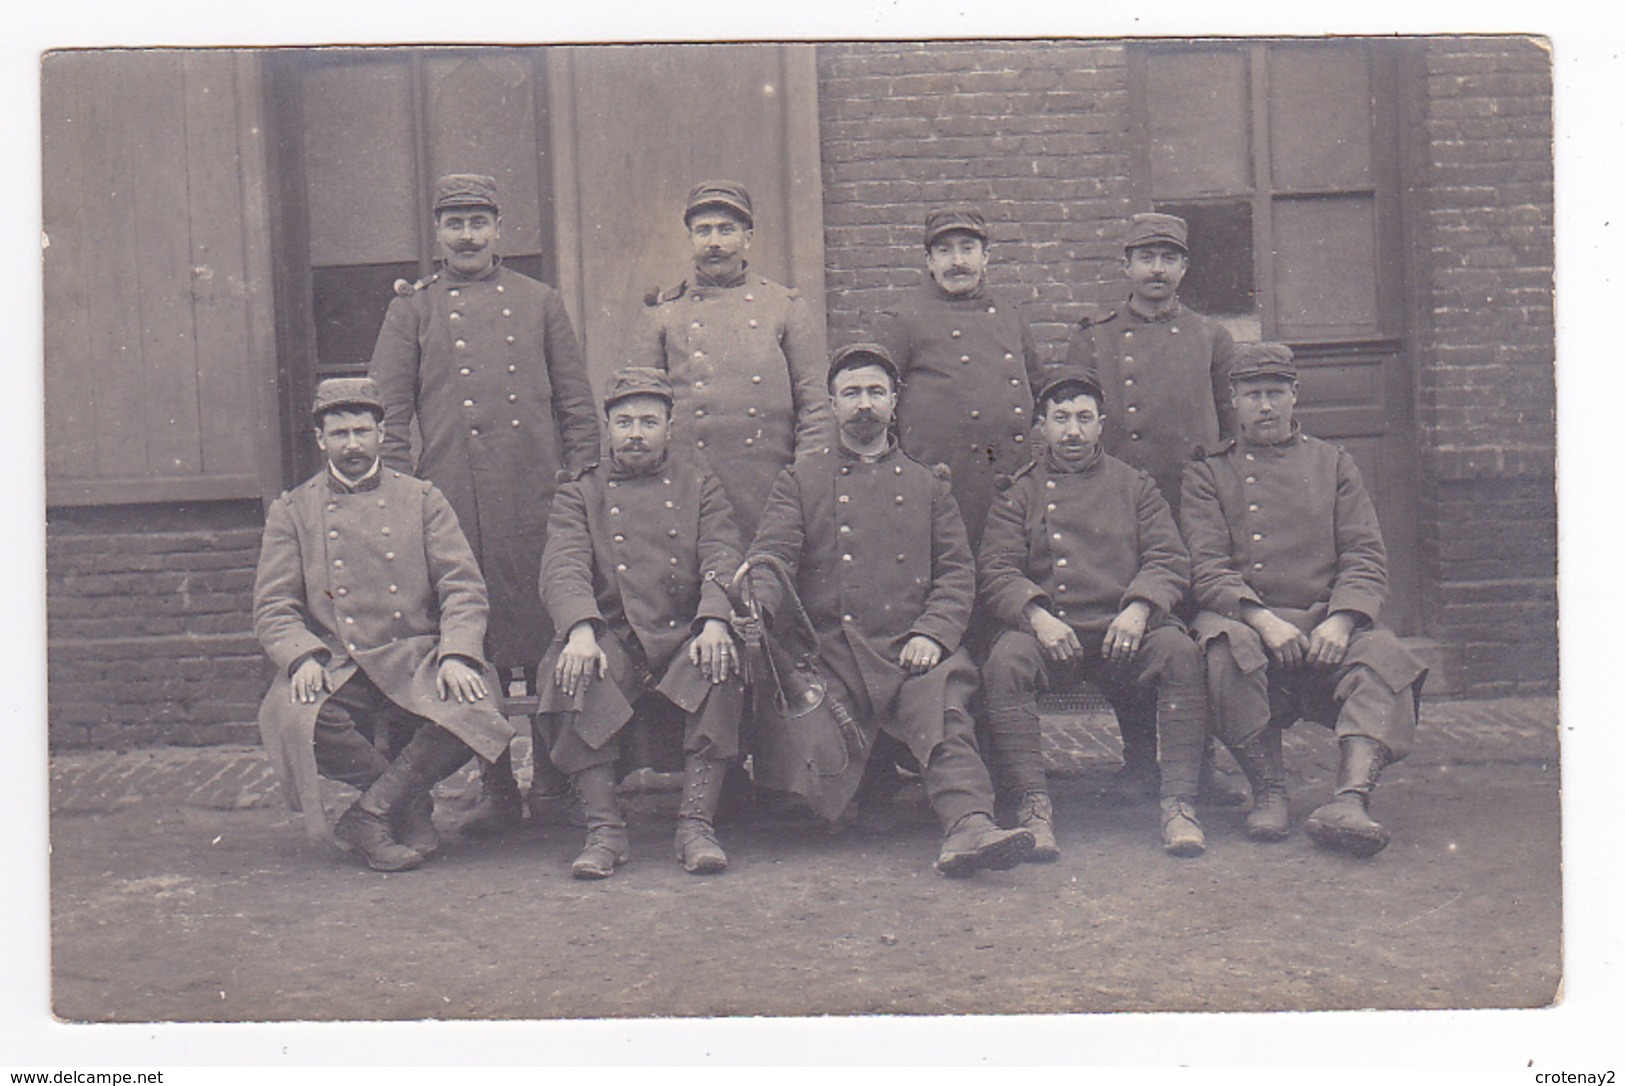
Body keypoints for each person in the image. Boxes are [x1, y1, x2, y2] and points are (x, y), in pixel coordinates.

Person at [744, 344, 1034, 876]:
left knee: (943, 705)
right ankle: (863, 790)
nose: (864, 404)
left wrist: (934, 633)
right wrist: (759, 606)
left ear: (894, 402)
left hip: (910, 648)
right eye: (851, 393)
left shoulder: (928, 485)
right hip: (832, 654)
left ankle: (969, 826)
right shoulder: (800, 481)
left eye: (876, 392)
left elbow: (956, 574)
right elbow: (772, 557)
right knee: (813, 801)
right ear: (831, 405)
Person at [368, 173, 600, 835]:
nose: (467, 236)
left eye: (478, 222)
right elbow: (387, 411)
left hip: (536, 500)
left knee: (548, 635)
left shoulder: (539, 301)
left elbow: (577, 407)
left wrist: (577, 484)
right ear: (437, 234)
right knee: (478, 639)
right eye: (454, 223)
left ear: (499, 229)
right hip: (452, 502)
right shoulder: (412, 309)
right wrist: (402, 494)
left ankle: (554, 778)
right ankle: (496, 782)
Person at [253, 378, 515, 872]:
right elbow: (273, 606)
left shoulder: (422, 499)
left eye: (360, 431)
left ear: (380, 433)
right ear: (320, 440)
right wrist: (302, 655)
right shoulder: (294, 510)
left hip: (414, 656)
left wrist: (458, 652)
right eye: (339, 434)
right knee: (298, 716)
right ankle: (406, 805)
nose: (351, 445)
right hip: (338, 659)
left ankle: (370, 814)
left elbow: (462, 587)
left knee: (475, 705)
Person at [1181, 343, 1427, 856]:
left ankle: (1350, 799)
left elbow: (1364, 555)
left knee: (1385, 660)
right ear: (1233, 400)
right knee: (1224, 653)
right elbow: (1206, 568)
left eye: (1275, 393)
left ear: (1295, 396)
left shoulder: (1333, 463)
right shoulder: (1208, 472)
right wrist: (1262, 620)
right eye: (1252, 395)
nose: (1265, 406)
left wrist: (1340, 621)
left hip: (1322, 621)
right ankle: (1268, 790)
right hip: (1248, 619)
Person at [979, 369, 1208, 859]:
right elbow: (996, 569)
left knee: (1180, 651)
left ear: (1102, 424)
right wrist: (1037, 615)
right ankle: (1033, 807)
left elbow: (1169, 558)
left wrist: (1141, 607)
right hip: (1052, 632)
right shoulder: (1018, 492)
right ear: (1040, 426)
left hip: (1124, 631)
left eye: (1084, 418)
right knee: (1006, 662)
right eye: (1060, 419)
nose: (1073, 431)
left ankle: (1178, 804)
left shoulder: (1135, 486)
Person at [536, 368, 746, 878]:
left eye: (648, 422)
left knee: (720, 663)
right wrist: (580, 630)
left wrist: (715, 619)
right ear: (607, 428)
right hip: (613, 635)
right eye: (624, 421)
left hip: (682, 634)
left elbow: (722, 554)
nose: (635, 433)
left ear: (669, 427)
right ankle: (604, 831)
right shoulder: (579, 491)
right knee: (570, 671)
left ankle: (695, 826)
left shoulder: (700, 484)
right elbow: (562, 565)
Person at [1064, 211, 1241, 806]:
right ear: (1126, 267)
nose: (1157, 270)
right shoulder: (1095, 337)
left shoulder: (1211, 338)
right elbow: (1076, 417)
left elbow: (1228, 428)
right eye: (1146, 258)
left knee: (1195, 638)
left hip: (1191, 508)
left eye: (1169, 258)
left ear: (1185, 268)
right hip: (1123, 509)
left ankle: (1202, 767)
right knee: (1129, 638)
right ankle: (1139, 760)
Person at [628, 179, 834, 546]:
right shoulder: (664, 313)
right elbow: (638, 406)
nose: (714, 243)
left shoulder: (784, 307)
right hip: (689, 487)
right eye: (703, 231)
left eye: (727, 230)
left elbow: (815, 405)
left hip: (769, 486)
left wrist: (805, 480)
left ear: (748, 237)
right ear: (690, 240)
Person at [869, 207, 1046, 553]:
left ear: (986, 258)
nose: (957, 261)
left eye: (967, 249)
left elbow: (1040, 393)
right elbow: (876, 404)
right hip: (942, 487)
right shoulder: (903, 319)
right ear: (929, 261)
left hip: (1009, 485)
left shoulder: (1010, 316)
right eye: (945, 251)